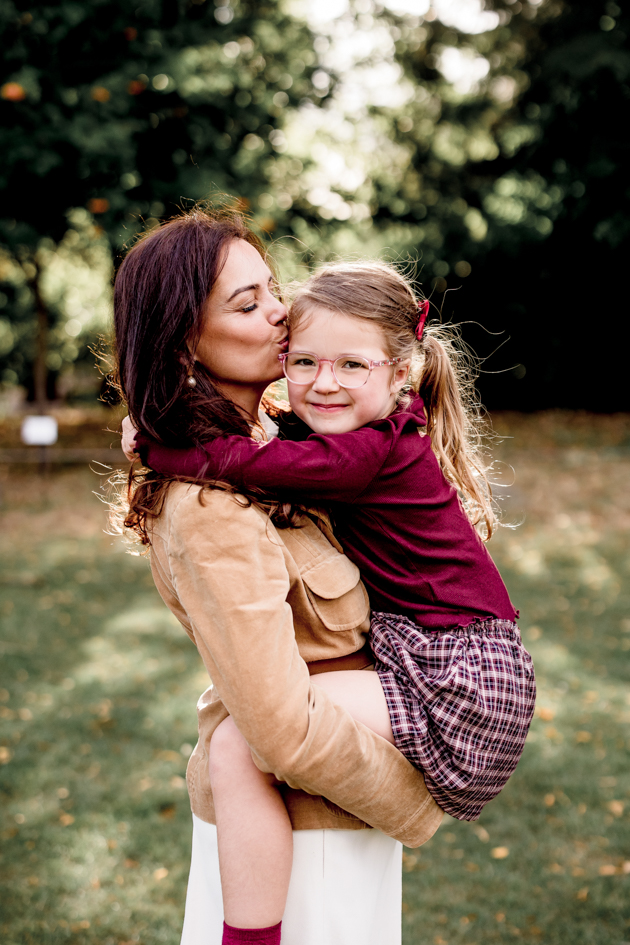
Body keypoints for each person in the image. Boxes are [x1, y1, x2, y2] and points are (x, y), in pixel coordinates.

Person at [128, 260, 537, 938]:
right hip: (437, 653)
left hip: (463, 673)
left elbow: (255, 462)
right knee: (239, 743)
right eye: (305, 360)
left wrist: (157, 451)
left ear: (401, 372)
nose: (323, 383)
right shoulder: (362, 436)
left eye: (352, 365)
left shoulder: (370, 452)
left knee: (240, 742)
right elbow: (273, 444)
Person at [113, 208, 443, 945]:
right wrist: (418, 804)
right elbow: (278, 729)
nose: (281, 315)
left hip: (332, 813)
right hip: (302, 837)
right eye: (246, 304)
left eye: (273, 290)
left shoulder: (275, 445)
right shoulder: (211, 504)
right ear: (183, 340)